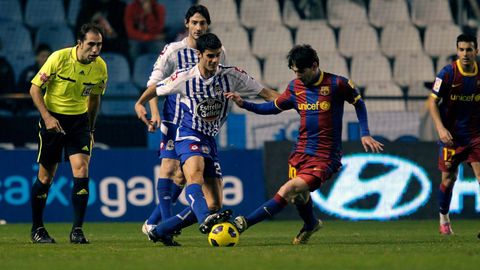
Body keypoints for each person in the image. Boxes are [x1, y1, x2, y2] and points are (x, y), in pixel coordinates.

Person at [225, 44, 383, 245]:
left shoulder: (337, 84)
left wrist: (365, 133)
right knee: (298, 197)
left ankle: (243, 224)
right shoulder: (294, 87)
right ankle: (311, 224)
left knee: (289, 188)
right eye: (294, 71)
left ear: (314, 65)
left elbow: (359, 104)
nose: (298, 75)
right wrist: (245, 104)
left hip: (325, 156)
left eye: (301, 71)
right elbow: (273, 108)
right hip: (300, 152)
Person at [134, 33, 279, 246]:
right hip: (188, 133)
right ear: (199, 54)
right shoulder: (184, 77)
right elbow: (156, 87)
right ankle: (204, 220)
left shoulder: (232, 76)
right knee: (194, 175)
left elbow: (266, 93)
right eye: (210, 56)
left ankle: (161, 229)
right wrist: (140, 103)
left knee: (214, 203)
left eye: (217, 55)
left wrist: (295, 101)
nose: (214, 60)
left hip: (210, 139)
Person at [140, 5, 228, 240]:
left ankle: (153, 223)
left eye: (203, 23)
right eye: (195, 22)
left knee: (181, 177)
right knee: (169, 170)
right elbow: (155, 83)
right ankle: (166, 230)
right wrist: (153, 111)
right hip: (173, 118)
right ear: (186, 23)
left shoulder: (217, 51)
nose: (199, 27)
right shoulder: (173, 50)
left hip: (198, 122)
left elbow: (220, 80)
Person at [29, 23, 108, 244]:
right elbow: (34, 89)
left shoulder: (100, 67)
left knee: (82, 170)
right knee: (46, 178)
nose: (95, 49)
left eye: (99, 45)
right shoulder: (59, 58)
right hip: (53, 119)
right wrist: (47, 117)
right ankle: (37, 229)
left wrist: (91, 128)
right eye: (91, 44)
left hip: (80, 122)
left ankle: (77, 230)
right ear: (79, 43)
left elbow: (94, 98)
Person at [428, 33, 480, 236]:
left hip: (476, 135)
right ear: (457, 51)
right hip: (451, 137)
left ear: (476, 51)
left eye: (469, 49)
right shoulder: (447, 73)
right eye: (461, 49)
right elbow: (433, 101)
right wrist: (441, 129)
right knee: (449, 179)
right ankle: (444, 219)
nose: (465, 54)